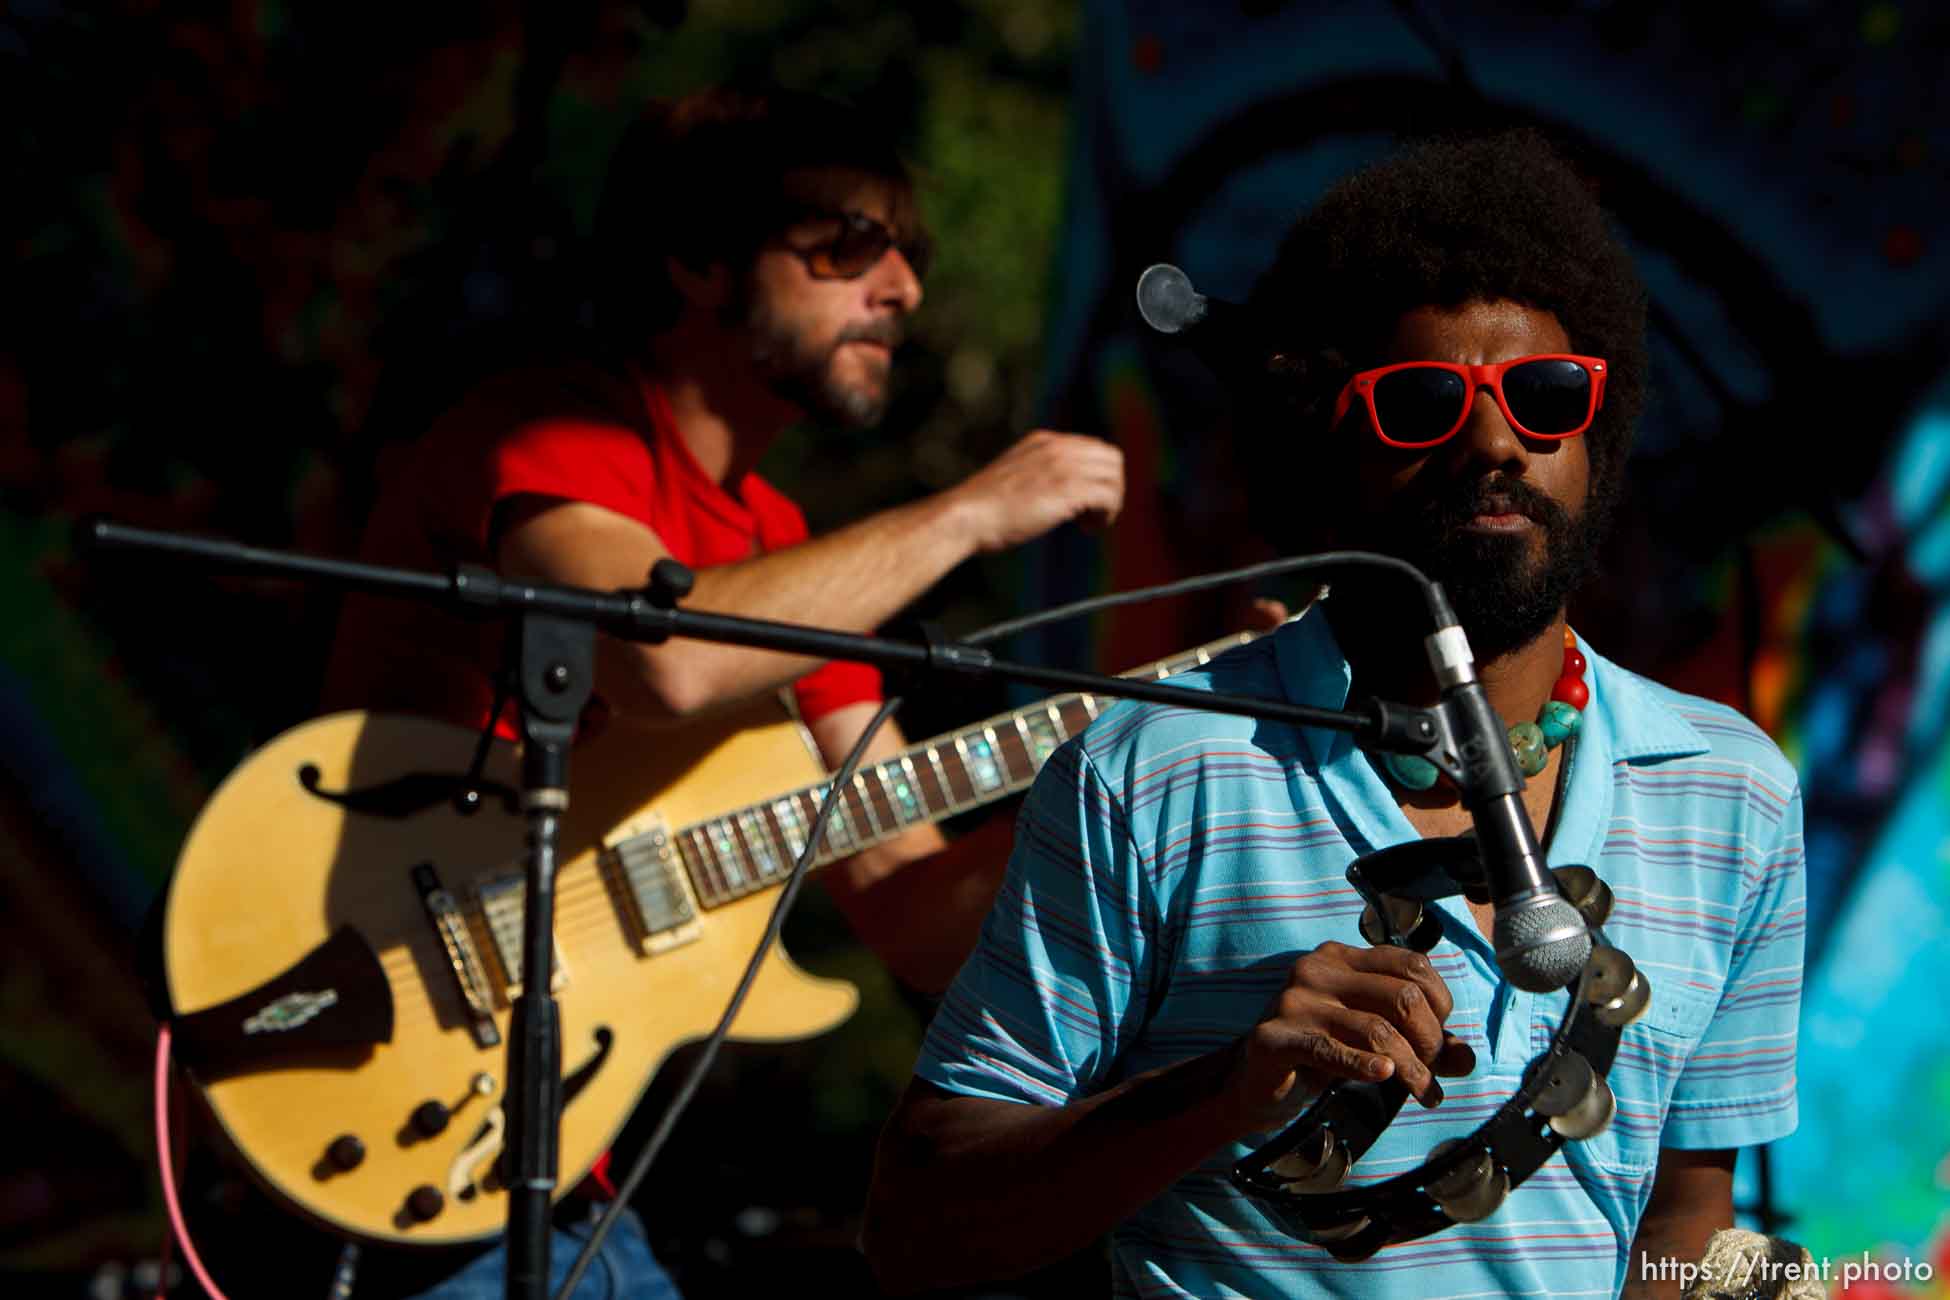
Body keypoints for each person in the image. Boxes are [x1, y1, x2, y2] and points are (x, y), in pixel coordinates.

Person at [191, 87, 1127, 1299]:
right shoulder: (556, 429)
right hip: (381, 1071)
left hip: (558, 1165)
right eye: (851, 245)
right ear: (696, 258)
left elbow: (913, 912)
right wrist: (966, 513)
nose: (900, 288)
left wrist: (1128, 763)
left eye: (910, 256)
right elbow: (663, 660)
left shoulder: (791, 550)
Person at [863, 131, 1805, 1300]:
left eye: (1546, 394)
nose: (1496, 441)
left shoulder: (1733, 788)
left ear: (1597, 432)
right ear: (1329, 440)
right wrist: (1222, 1090)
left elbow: (1681, 1217)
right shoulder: (1151, 771)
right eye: (1421, 403)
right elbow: (918, 1219)